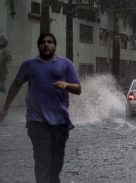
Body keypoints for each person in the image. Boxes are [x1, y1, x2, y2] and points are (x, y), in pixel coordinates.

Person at [0, 33, 81, 183]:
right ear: (38, 46)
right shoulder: (29, 65)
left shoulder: (66, 64)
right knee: (42, 161)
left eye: (49, 42)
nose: (46, 44)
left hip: (60, 122)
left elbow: (78, 89)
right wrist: (6, 108)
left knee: (55, 166)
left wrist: (66, 85)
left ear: (54, 46)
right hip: (37, 121)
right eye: (43, 42)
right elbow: (16, 84)